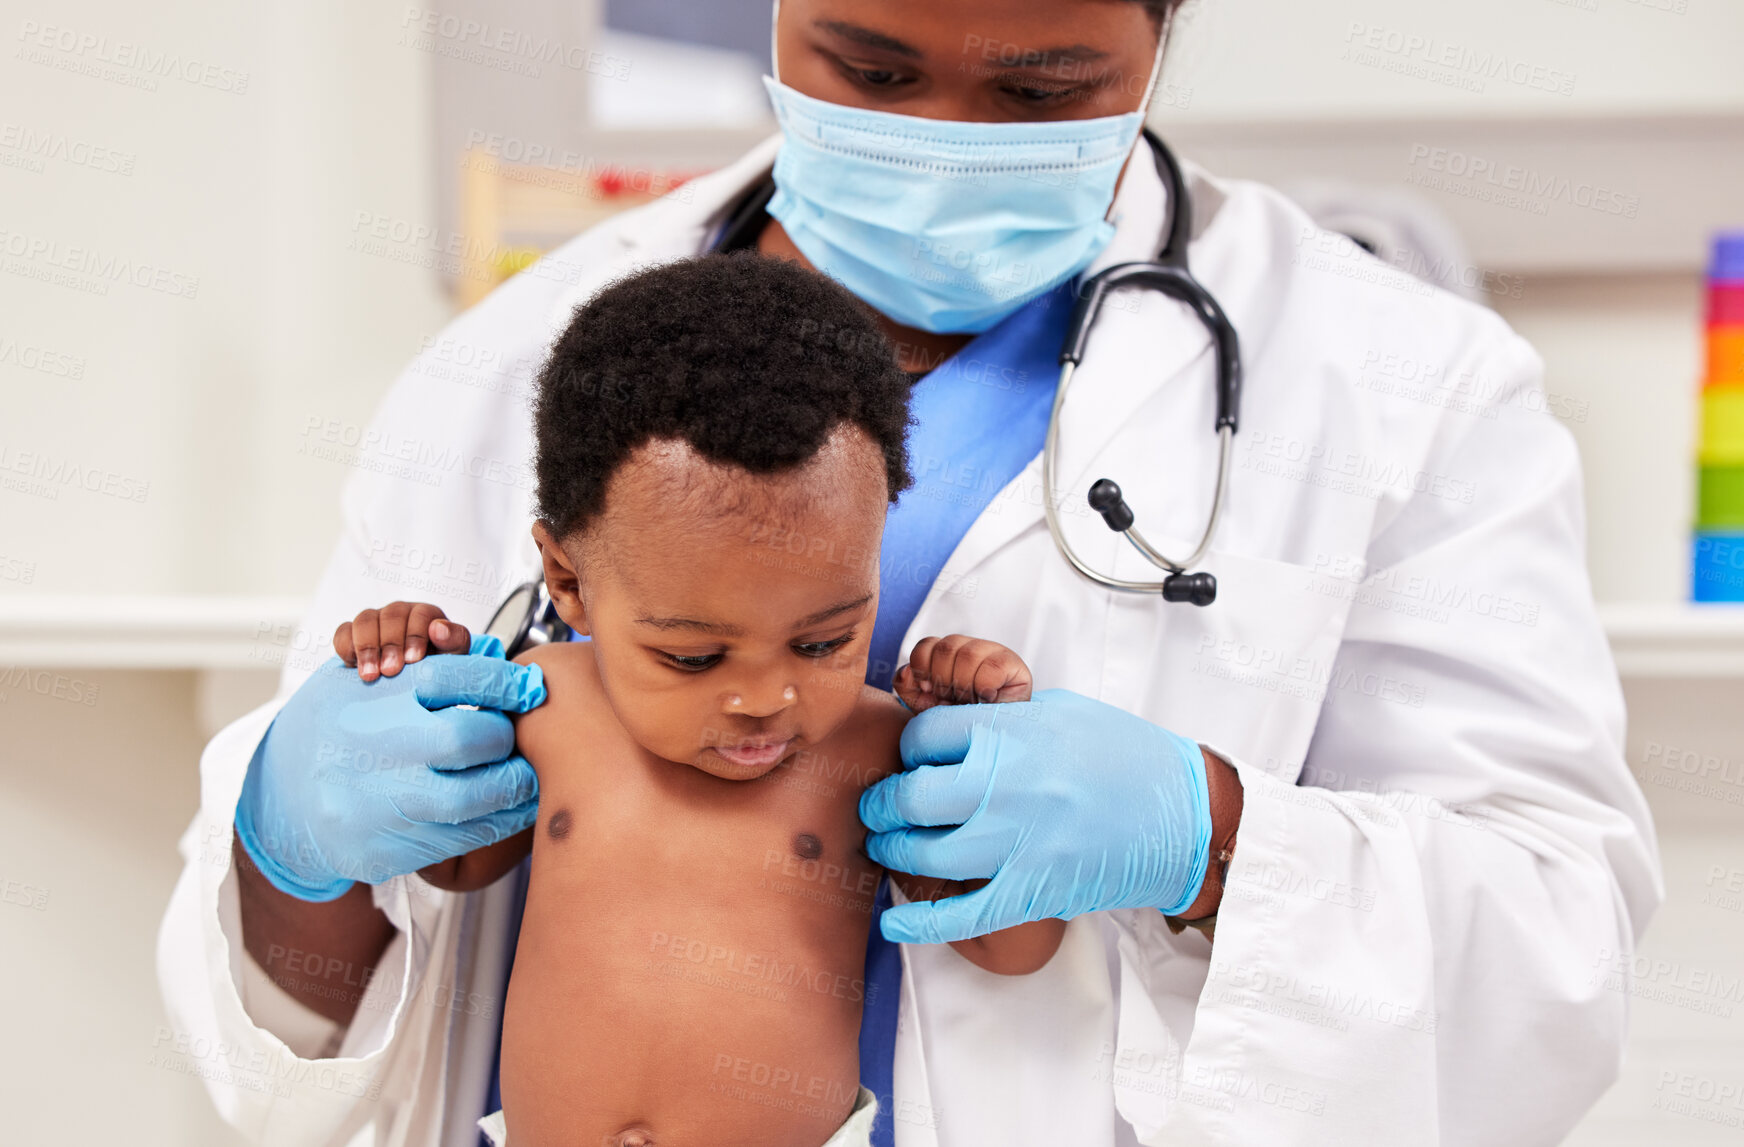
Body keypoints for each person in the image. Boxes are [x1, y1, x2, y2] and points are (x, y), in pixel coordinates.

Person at [159, 1, 1661, 1144]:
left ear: (1159, 41)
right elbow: (303, 1001)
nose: (943, 129)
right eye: (869, 70)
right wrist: (292, 840)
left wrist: (1202, 835)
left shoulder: (1399, 381)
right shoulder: (512, 359)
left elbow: (1552, 942)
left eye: (1038, 89)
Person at [323, 253, 1064, 1145]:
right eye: (693, 655)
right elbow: (451, 868)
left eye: (824, 641)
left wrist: (987, 748)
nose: (765, 696)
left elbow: (1013, 947)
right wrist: (404, 675)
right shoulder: (541, 703)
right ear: (568, 580)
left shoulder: (872, 749)